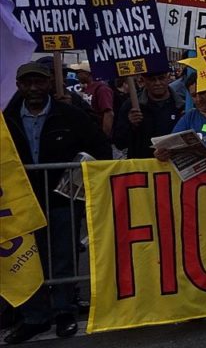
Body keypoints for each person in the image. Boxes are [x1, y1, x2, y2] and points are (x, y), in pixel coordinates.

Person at [3, 62, 112, 343]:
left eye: (39, 82)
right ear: (18, 86)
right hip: (23, 203)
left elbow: (101, 148)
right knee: (29, 260)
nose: (33, 88)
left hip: (62, 201)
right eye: (27, 83)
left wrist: (79, 174)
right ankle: (35, 317)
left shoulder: (70, 115)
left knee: (64, 256)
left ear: (50, 83)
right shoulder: (7, 118)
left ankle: (64, 311)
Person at [113, 70, 184, 159]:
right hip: (143, 164)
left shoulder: (182, 105)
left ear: (168, 77)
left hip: (176, 163)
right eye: (152, 79)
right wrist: (130, 124)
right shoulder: (131, 106)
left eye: (161, 78)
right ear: (143, 80)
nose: (157, 83)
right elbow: (119, 143)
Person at [69, 61, 115, 138]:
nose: (77, 75)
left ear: (87, 74)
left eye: (78, 72)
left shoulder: (102, 89)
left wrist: (104, 137)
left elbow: (108, 113)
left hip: (98, 133)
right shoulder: (86, 88)